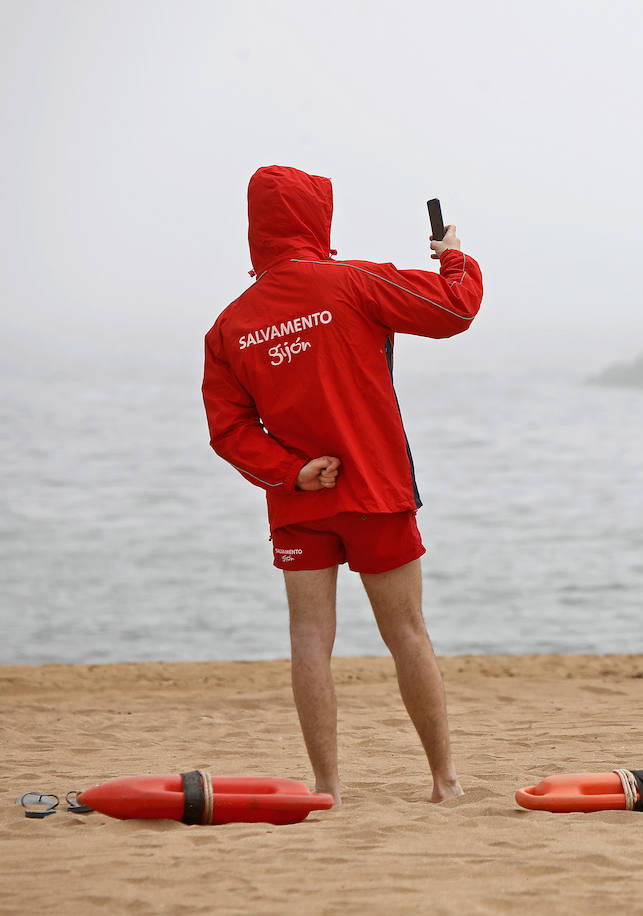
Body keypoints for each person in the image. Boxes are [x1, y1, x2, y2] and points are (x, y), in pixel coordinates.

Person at [201, 165, 483, 804]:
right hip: (376, 491)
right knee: (407, 630)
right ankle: (444, 782)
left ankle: (326, 785)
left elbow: (228, 429)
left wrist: (289, 472)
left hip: (299, 501)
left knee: (308, 639)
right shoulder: (353, 280)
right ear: (314, 219)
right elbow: (454, 308)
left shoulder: (231, 325)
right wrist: (455, 257)